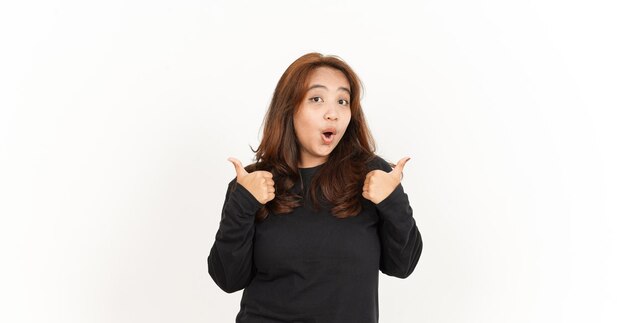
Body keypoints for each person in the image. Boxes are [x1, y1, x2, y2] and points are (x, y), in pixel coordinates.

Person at [207, 52, 423, 322]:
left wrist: (393, 200)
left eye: (342, 101)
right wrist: (242, 204)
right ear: (290, 108)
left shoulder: (371, 176)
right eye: (317, 99)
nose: (332, 113)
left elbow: (402, 266)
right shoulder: (254, 183)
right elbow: (228, 279)